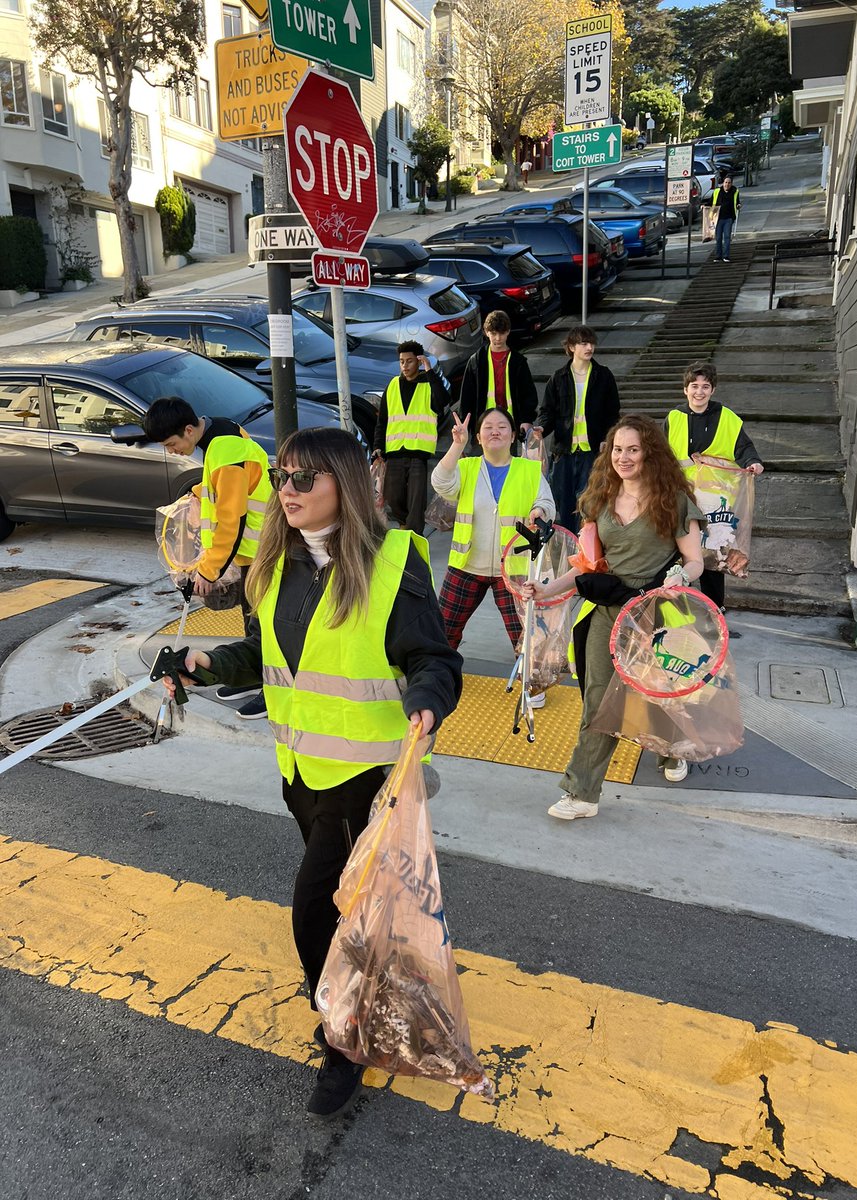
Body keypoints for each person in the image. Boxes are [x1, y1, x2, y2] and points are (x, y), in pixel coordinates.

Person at [163, 427, 463, 1118]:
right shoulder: (274, 564)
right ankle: (371, 998)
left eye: (304, 479)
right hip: (300, 770)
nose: (286, 490)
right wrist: (207, 664)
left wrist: (426, 703)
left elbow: (433, 660)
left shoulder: (393, 561)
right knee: (349, 911)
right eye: (283, 475)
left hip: (366, 778)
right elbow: (264, 656)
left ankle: (343, 1039)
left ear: (346, 486)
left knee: (310, 912)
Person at [522, 415, 704, 819]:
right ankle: (582, 792)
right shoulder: (600, 498)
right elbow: (587, 565)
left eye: (633, 450)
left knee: (654, 696)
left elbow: (695, 561)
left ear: (649, 453)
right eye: (618, 449)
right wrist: (547, 590)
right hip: (607, 613)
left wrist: (680, 576)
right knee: (600, 702)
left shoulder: (672, 500)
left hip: (655, 615)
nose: (623, 457)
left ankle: (671, 749)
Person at [143, 395, 272, 719]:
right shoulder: (218, 432)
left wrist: (209, 571)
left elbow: (232, 518)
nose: (171, 451)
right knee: (251, 619)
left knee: (266, 626)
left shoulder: (226, 451)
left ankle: (273, 690)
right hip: (249, 554)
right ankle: (250, 675)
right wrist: (197, 494)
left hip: (265, 553)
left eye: (172, 443)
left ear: (188, 430)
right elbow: (230, 487)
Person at [432, 408, 555, 677]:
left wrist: (540, 512)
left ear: (513, 436)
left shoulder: (529, 469)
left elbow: (546, 502)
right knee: (444, 628)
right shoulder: (465, 467)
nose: (495, 431)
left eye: (502, 426)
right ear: (478, 436)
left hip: (512, 566)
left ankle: (531, 680)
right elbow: (440, 483)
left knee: (523, 631)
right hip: (466, 564)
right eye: (488, 427)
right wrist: (457, 446)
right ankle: (437, 675)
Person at [664, 360, 764, 612]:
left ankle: (714, 606)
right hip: (681, 493)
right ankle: (675, 600)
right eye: (694, 386)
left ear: (713, 389)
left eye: (705, 386)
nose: (699, 392)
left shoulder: (727, 418)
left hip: (715, 497)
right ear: (685, 389)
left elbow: (744, 447)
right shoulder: (674, 418)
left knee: (711, 550)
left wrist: (753, 462)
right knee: (677, 547)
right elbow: (661, 453)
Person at [532, 326, 620, 533]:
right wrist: (542, 428)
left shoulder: (604, 376)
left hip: (593, 451)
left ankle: (587, 548)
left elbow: (613, 413)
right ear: (571, 347)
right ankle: (567, 545)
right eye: (583, 343)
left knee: (590, 501)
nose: (589, 347)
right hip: (564, 452)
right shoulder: (558, 377)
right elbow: (548, 412)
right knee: (563, 502)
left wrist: (609, 437)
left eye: (591, 343)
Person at [372, 340, 447, 535]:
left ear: (419, 362)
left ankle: (413, 536)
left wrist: (430, 371)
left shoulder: (428, 385)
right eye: (401, 361)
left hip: (418, 454)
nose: (405, 366)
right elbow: (383, 421)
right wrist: (378, 446)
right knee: (393, 498)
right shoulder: (393, 385)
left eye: (410, 361)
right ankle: (405, 526)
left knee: (416, 502)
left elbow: (442, 401)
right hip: (394, 452)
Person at [458, 310, 539, 439]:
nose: (497, 338)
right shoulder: (476, 361)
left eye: (502, 333)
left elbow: (528, 393)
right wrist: (464, 426)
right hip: (482, 426)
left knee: (507, 459)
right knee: (480, 459)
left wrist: (526, 419)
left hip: (509, 425)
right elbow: (467, 396)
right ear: (486, 332)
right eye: (493, 333)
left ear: (508, 331)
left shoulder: (518, 362)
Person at [711, 175, 741, 262]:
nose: (727, 184)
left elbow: (737, 202)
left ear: (731, 184)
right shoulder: (717, 191)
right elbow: (711, 202)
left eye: (729, 183)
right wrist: (704, 206)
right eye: (726, 182)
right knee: (718, 237)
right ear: (723, 183)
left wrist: (738, 205)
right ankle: (718, 256)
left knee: (727, 237)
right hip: (718, 218)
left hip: (729, 218)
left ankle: (726, 256)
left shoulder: (735, 191)